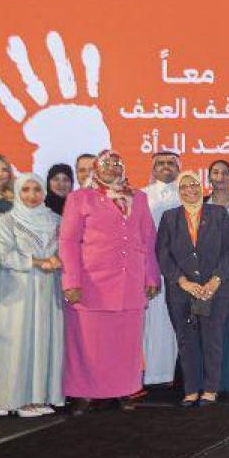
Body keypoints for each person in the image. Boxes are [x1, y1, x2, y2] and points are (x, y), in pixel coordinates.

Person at [57, 150, 160, 411]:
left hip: (130, 282)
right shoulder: (80, 198)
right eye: (106, 164)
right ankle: (83, 394)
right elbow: (68, 242)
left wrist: (151, 275)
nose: (112, 169)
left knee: (125, 344)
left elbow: (148, 239)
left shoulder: (138, 198)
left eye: (117, 164)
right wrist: (71, 282)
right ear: (95, 169)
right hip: (92, 284)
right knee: (88, 344)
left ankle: (122, 390)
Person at [0, 172, 65, 417]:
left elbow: (68, 249)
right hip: (18, 291)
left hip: (49, 289)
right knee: (20, 343)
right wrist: (38, 261)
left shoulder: (56, 219)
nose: (32, 195)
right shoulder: (7, 220)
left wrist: (59, 261)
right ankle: (18, 399)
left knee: (46, 341)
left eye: (37, 190)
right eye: (26, 190)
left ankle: (40, 396)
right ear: (17, 192)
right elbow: (4, 256)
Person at [156, 172, 229, 406]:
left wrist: (214, 281)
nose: (190, 189)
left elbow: (228, 252)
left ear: (201, 187)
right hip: (181, 291)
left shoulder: (218, 214)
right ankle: (191, 389)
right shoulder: (169, 217)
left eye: (194, 185)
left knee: (213, 339)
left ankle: (210, 389)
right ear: (178, 191)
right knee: (186, 340)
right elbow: (163, 254)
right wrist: (184, 282)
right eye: (184, 186)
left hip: (215, 289)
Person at [140, 150, 183, 390]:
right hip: (152, 268)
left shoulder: (187, 193)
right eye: (160, 163)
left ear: (178, 168)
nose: (166, 167)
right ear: (153, 169)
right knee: (153, 323)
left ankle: (178, 377)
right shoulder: (142, 196)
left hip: (181, 269)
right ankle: (153, 377)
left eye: (171, 163)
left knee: (177, 322)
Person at [206, 158, 229, 398]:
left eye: (224, 173)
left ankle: (226, 384)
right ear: (209, 177)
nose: (220, 177)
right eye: (215, 173)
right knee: (207, 330)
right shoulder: (199, 206)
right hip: (205, 275)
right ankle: (207, 384)